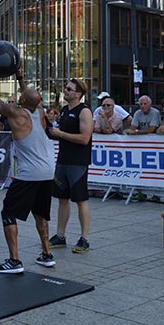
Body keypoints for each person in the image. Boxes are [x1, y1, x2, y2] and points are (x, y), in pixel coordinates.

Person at [0, 61, 57, 272]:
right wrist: (20, 77)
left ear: (22, 100)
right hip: (48, 172)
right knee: (40, 214)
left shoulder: (17, 114)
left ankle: (14, 261)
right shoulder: (40, 112)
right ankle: (47, 254)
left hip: (29, 174)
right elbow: (31, 96)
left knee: (8, 212)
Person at [48, 78, 93, 254]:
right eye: (65, 88)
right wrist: (53, 133)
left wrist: (60, 133)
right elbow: (62, 135)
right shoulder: (65, 110)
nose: (65, 91)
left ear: (78, 94)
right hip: (63, 159)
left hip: (78, 162)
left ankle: (84, 238)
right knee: (62, 199)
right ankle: (60, 235)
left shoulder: (84, 111)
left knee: (81, 200)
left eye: (69, 89)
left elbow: (84, 139)